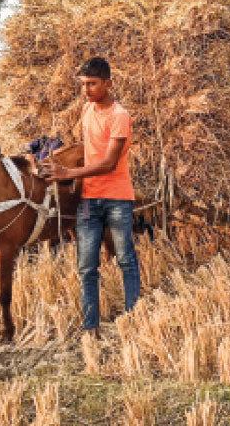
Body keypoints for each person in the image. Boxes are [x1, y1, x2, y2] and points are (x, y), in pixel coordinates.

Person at [46, 57, 140, 336]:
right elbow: (87, 148)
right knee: (87, 266)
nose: (86, 90)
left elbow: (109, 163)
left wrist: (68, 174)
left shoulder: (120, 117)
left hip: (117, 198)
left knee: (125, 259)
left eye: (92, 84)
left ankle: (133, 317)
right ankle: (91, 326)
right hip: (89, 199)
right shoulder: (87, 110)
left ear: (108, 84)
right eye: (83, 84)